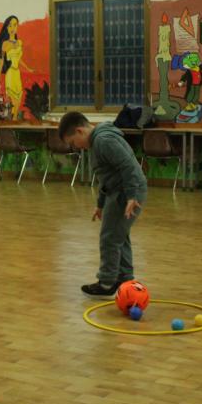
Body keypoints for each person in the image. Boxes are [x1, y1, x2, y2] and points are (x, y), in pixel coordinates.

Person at [58, 111, 147, 297]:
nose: (76, 147)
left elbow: (128, 166)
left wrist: (132, 196)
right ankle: (125, 279)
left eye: (73, 142)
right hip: (120, 190)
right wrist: (100, 204)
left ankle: (107, 283)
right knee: (119, 235)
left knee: (109, 238)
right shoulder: (97, 142)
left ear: (80, 131)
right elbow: (106, 178)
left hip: (127, 191)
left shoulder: (104, 141)